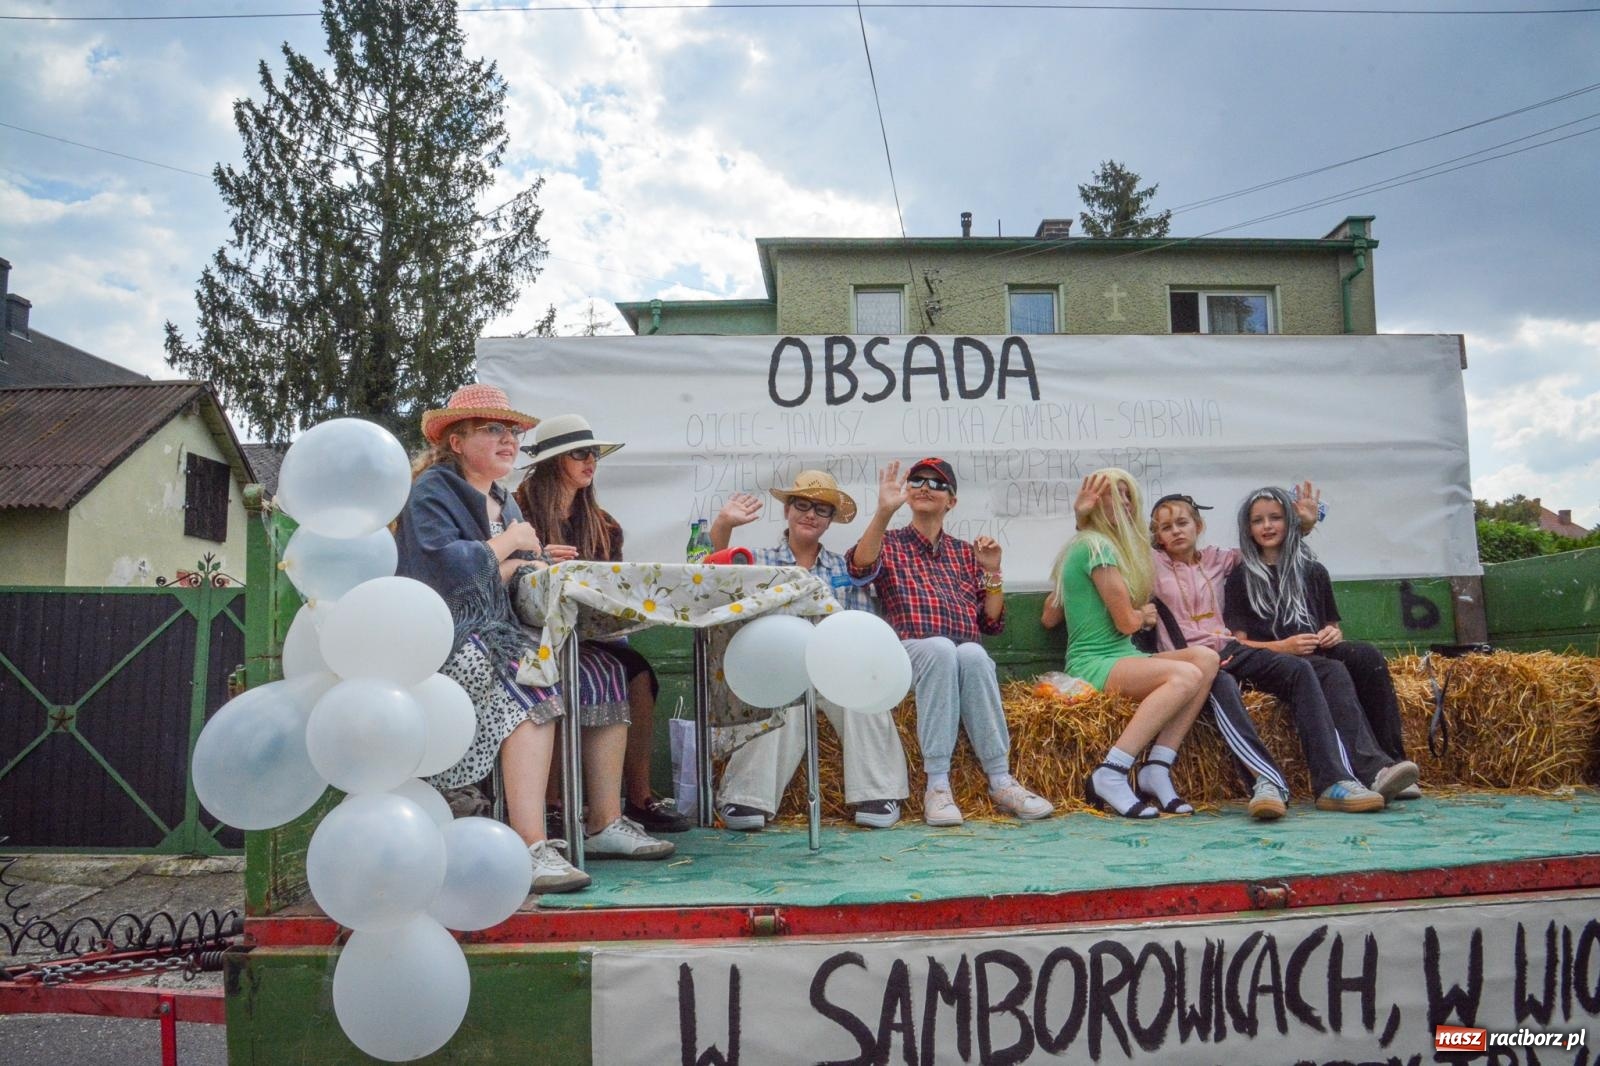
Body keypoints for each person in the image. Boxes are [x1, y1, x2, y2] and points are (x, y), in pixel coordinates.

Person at [395, 384, 595, 893]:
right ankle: (528, 846)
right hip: (439, 638)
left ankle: (531, 828)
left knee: (561, 677)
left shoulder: (503, 499)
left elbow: (505, 571)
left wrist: (532, 558)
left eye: (512, 431)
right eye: (492, 429)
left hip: (495, 632)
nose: (509, 440)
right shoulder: (433, 491)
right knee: (530, 690)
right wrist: (511, 545)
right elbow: (443, 574)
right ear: (456, 442)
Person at [1148, 486, 1409, 814]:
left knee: (1304, 669)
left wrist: (1303, 524)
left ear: (1198, 526)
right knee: (1223, 685)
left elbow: (1269, 547)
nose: (1176, 531)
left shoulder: (1220, 559)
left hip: (1231, 649)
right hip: (1192, 660)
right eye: (1166, 527)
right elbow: (1117, 560)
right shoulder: (1150, 565)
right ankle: (1267, 783)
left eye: (1182, 523)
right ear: (1156, 536)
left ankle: (1336, 780)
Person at [846, 458, 1053, 827]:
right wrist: (883, 512)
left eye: (937, 483)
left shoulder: (963, 552)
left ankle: (1001, 779)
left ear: (951, 501)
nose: (925, 487)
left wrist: (992, 571)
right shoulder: (889, 542)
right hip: (910, 653)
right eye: (917, 481)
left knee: (973, 653)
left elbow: (991, 621)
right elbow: (859, 568)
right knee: (941, 648)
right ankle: (937, 785)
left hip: (960, 653)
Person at [514, 413, 688, 843]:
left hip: (591, 633)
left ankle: (639, 797)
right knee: (557, 676)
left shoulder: (604, 523)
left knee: (640, 674)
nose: (591, 461)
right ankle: (552, 804)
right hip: (529, 631)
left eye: (594, 453)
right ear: (553, 461)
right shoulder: (517, 510)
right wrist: (539, 560)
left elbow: (613, 591)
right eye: (580, 453)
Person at [706, 472, 910, 831]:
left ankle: (878, 793)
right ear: (787, 510)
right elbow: (714, 576)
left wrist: (884, 512)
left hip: (835, 666)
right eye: (802, 505)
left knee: (862, 695)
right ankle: (746, 797)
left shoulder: (844, 566)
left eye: (822, 509)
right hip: (781, 666)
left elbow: (865, 573)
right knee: (779, 698)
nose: (810, 514)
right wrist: (723, 526)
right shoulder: (759, 561)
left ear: (830, 520)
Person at [1223, 485, 1420, 804]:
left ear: (1290, 522)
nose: (1267, 526)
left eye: (1275, 518)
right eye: (1258, 520)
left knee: (1366, 655)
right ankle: (1371, 770)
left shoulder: (1312, 571)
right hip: (1274, 660)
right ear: (1248, 529)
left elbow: (1331, 624)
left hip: (1312, 651)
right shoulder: (1240, 578)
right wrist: (1283, 646)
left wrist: (1332, 634)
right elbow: (1239, 644)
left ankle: (1393, 763)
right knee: (1331, 671)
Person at [1052, 469, 1222, 818]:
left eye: (1128, 495)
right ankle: (1111, 770)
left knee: (1206, 659)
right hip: (1094, 661)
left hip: (1122, 654)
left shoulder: (1102, 545)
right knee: (1185, 677)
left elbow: (1049, 614)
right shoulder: (1096, 547)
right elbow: (1127, 623)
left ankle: (1157, 766)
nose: (1125, 503)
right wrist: (1142, 615)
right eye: (1113, 495)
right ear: (1094, 503)